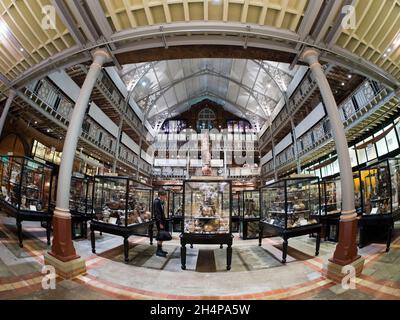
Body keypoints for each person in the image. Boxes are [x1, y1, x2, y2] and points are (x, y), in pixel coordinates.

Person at [153, 190, 168, 257]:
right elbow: (157, 213)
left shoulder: (160, 202)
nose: (165, 197)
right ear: (161, 195)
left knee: (161, 236)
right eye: (164, 196)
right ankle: (158, 251)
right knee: (160, 236)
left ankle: (160, 249)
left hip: (161, 221)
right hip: (160, 222)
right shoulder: (157, 202)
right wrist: (160, 223)